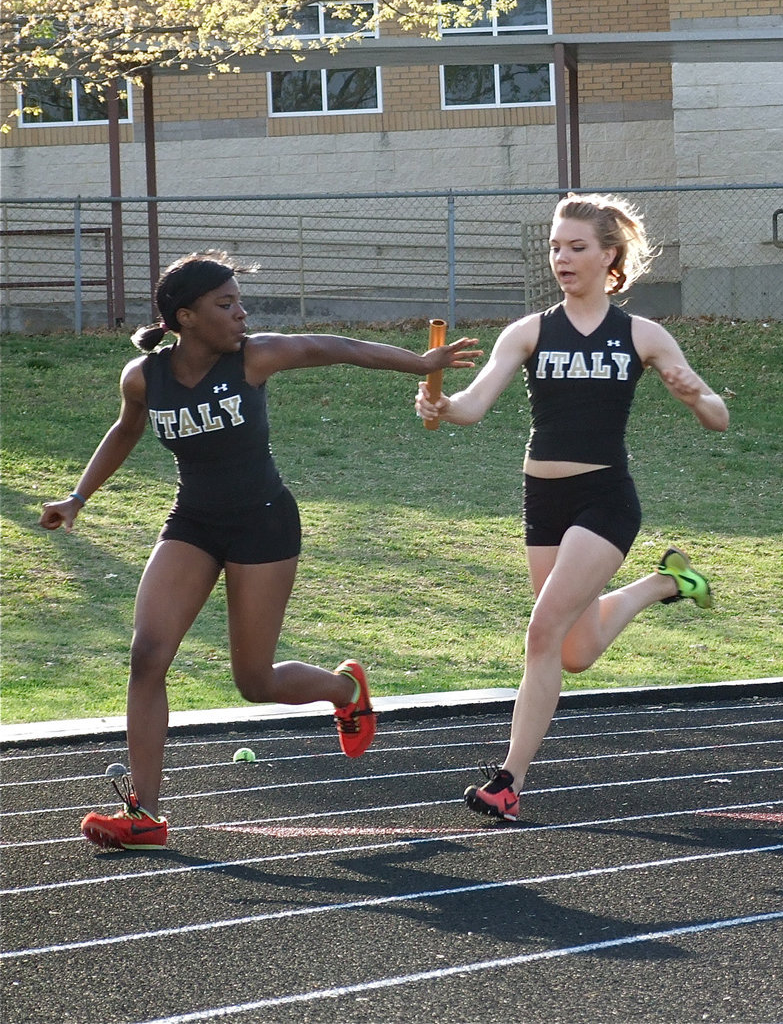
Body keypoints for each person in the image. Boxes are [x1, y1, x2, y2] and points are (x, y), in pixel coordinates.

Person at [39, 250, 481, 850]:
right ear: (185, 317)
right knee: (147, 657)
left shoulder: (254, 358)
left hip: (263, 525)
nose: (242, 313)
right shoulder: (143, 377)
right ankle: (144, 813)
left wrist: (420, 363)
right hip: (192, 522)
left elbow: (337, 347)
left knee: (254, 681)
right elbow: (126, 430)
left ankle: (346, 691)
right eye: (226, 305)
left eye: (239, 302)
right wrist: (77, 497)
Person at [415, 193, 729, 821]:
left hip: (604, 499)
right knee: (574, 651)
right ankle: (667, 582)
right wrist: (441, 407)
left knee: (541, 631)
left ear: (610, 256)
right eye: (555, 246)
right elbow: (473, 405)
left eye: (576, 247)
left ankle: (508, 780)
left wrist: (695, 395)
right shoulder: (528, 331)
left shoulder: (643, 335)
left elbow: (719, 419)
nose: (561, 257)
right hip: (543, 500)